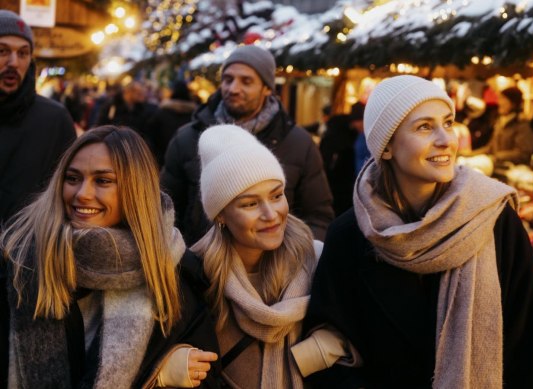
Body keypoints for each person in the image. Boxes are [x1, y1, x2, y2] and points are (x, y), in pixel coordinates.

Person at [303, 75, 533, 388]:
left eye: (448, 122)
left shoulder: (493, 219)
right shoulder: (351, 234)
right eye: (424, 127)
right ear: (386, 147)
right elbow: (329, 352)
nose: (446, 140)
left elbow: (532, 350)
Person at [0, 126, 221, 388]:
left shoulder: (171, 273)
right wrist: (153, 376)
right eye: (72, 178)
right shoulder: (21, 260)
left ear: (135, 189)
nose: (82, 193)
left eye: (103, 181)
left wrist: (161, 377)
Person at [191, 124, 329, 388]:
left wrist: (312, 356)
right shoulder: (196, 276)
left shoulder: (317, 261)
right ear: (220, 214)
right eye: (250, 204)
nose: (271, 214)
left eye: (277, 196)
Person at [162, 45, 333, 244]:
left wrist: (293, 261)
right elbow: (164, 209)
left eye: (246, 81)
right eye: (228, 79)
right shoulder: (187, 139)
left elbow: (319, 217)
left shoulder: (298, 143)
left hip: (274, 269)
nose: (233, 89)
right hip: (200, 267)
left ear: (267, 87)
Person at [0, 10, 76, 225]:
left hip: (26, 253)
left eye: (23, 53)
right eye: (2, 51)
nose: (14, 62)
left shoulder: (54, 119)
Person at [146, 79, 197, 166]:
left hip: (163, 162)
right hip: (189, 163)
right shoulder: (195, 115)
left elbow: (151, 138)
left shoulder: (161, 113)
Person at [486, 86, 533, 166]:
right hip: (495, 168)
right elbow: (490, 148)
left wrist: (496, 157)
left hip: (514, 173)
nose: (499, 102)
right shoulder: (499, 122)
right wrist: (470, 155)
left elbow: (523, 154)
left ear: (513, 103)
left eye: (503, 99)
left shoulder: (523, 125)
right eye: (499, 98)